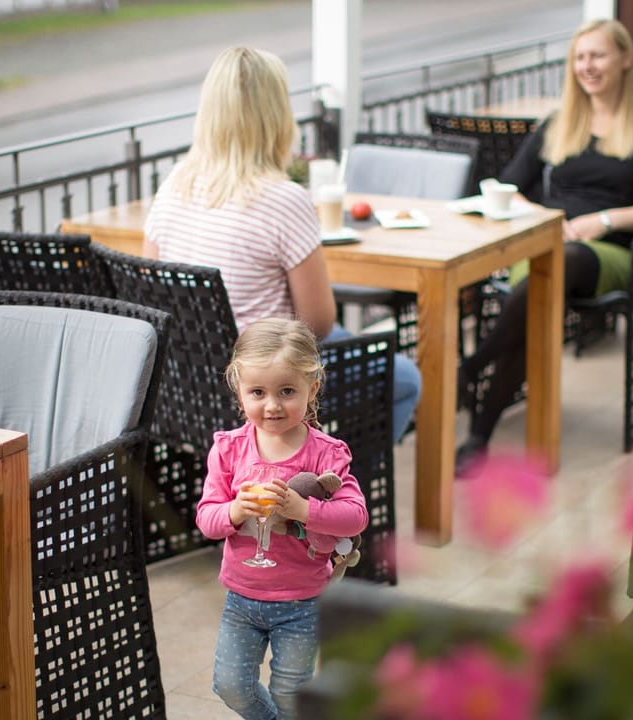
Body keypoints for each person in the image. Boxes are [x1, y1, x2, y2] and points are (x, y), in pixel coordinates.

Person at [142, 45, 421, 441]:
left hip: (189, 385)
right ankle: (335, 488)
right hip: (265, 381)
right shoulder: (283, 199)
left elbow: (153, 295)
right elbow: (317, 324)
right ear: (276, 116)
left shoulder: (173, 185)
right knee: (405, 378)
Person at [458, 18, 633, 465]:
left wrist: (603, 220)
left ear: (625, 59)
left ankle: (470, 370)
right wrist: (549, 219)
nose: (588, 66)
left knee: (560, 266)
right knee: (541, 301)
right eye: (581, 57)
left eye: (598, 55)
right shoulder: (561, 122)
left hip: (620, 253)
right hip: (551, 246)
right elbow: (508, 187)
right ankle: (479, 437)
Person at [196, 317, 369, 720]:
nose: (272, 405)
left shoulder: (326, 454)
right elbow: (208, 519)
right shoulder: (229, 450)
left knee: (292, 694)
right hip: (241, 597)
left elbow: (355, 517)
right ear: (239, 392)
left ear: (313, 388)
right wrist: (236, 510)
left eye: (287, 391)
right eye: (258, 392)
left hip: (302, 600)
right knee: (230, 685)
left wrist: (303, 510)